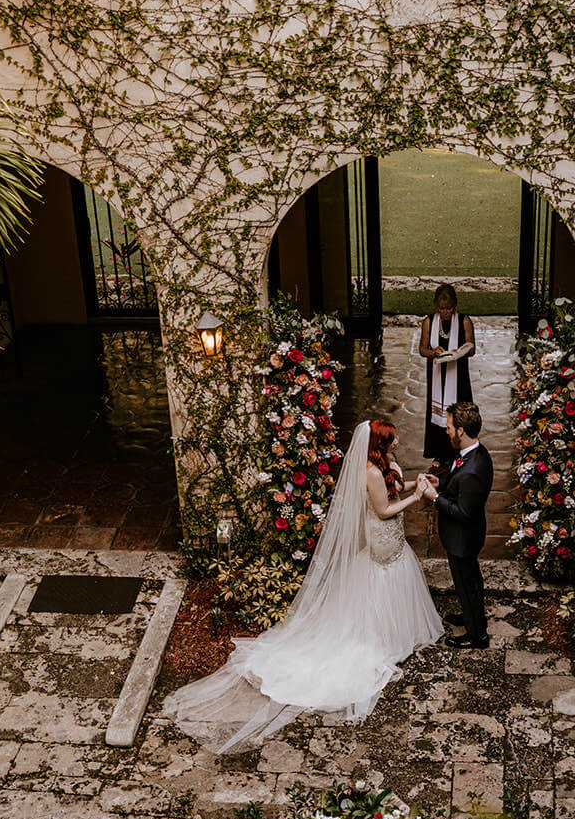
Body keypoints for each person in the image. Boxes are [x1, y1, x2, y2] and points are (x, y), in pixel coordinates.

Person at [163, 420, 442, 754]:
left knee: (396, 578)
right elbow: (383, 509)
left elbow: (391, 486)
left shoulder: (383, 465)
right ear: (380, 444)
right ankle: (379, 637)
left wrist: (417, 481)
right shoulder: (368, 471)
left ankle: (395, 632)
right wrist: (417, 498)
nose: (398, 440)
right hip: (382, 536)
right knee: (380, 583)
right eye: (393, 438)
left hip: (393, 539)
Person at [417, 401, 491, 649]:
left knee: (467, 584)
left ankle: (477, 636)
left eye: (449, 427)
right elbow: (460, 488)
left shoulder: (472, 470)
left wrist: (434, 498)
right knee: (470, 581)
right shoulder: (476, 453)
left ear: (460, 430)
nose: (446, 431)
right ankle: (471, 616)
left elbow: (463, 512)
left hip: (463, 537)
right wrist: (440, 483)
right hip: (467, 536)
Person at [419, 284, 475, 462]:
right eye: (442, 308)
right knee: (438, 411)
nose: (445, 312)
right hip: (437, 373)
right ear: (436, 306)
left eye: (449, 308)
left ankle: (461, 448)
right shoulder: (428, 321)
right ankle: (439, 452)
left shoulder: (465, 321)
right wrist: (433, 352)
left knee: (459, 410)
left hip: (458, 374)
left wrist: (459, 353)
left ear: (455, 305)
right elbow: (422, 349)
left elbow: (472, 348)